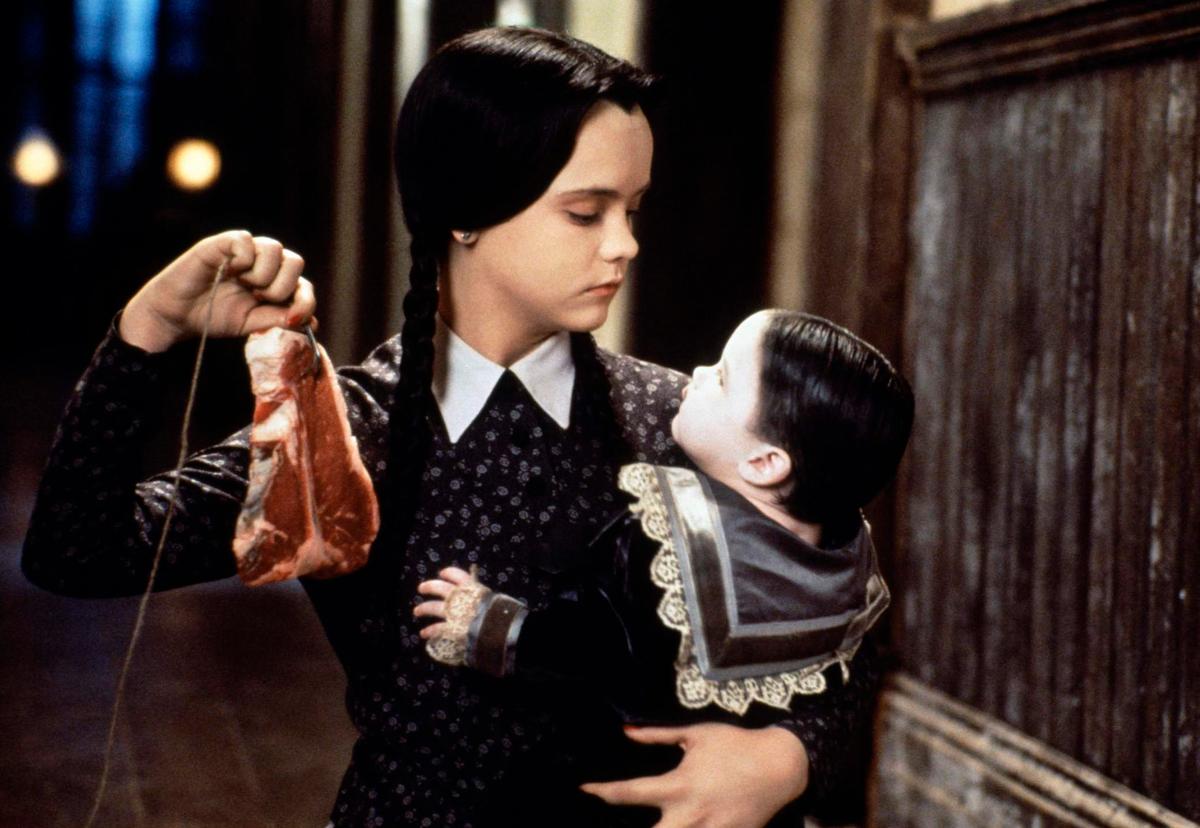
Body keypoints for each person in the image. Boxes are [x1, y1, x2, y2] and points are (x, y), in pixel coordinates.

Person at [22, 27, 883, 827]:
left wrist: (788, 759)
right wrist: (147, 331)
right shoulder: (345, 431)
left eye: (634, 209)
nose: (625, 244)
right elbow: (78, 551)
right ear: (464, 211)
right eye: (587, 212)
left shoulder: (684, 419)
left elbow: (843, 629)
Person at [413, 310, 911, 824]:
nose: (697, 372)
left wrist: (492, 623)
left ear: (764, 463)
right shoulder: (841, 565)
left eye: (721, 377)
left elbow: (589, 647)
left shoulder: (669, 546)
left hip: (631, 792)